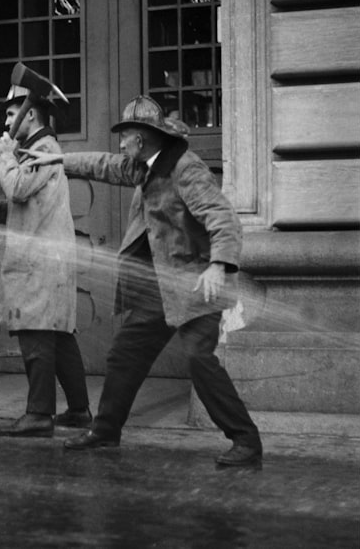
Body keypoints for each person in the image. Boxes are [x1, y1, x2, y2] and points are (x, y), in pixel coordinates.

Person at [26, 95, 263, 466]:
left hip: (196, 285)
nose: (121, 143)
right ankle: (106, 431)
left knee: (199, 360)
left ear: (143, 138)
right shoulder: (146, 167)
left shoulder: (185, 169)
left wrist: (219, 266)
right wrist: (59, 160)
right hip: (159, 289)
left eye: (126, 136)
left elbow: (224, 218)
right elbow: (107, 165)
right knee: (125, 355)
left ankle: (246, 441)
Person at [0, 73, 91, 438]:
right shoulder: (36, 152)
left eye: (11, 115)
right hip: (44, 258)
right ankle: (80, 410)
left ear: (31, 117)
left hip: (42, 263)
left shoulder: (43, 152)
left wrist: (5, 158)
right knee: (59, 335)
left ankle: (39, 414)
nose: (6, 123)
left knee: (35, 333)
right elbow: (27, 206)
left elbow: (20, 187)